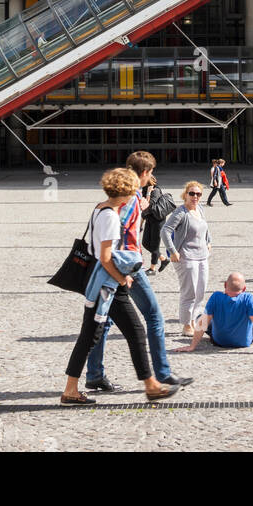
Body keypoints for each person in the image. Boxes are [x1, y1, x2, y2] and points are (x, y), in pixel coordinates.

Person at [62, 167, 182, 406]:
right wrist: (122, 278)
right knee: (96, 335)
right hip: (106, 285)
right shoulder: (110, 216)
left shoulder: (100, 208)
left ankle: (149, 386)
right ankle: (72, 390)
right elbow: (105, 257)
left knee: (105, 334)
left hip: (104, 284)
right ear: (127, 192)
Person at [85, 152, 189, 394]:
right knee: (153, 316)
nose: (151, 177)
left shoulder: (127, 197)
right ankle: (161, 373)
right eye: (150, 173)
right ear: (144, 173)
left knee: (105, 321)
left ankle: (94, 374)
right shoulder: (131, 198)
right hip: (127, 266)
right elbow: (119, 233)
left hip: (113, 266)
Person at [178, 273, 253, 355]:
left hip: (219, 341)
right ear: (244, 288)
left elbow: (203, 322)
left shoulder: (215, 296)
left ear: (225, 285)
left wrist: (192, 346)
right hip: (244, 342)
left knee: (200, 318)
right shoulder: (248, 298)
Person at [162, 181, 212, 334]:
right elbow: (165, 231)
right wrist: (173, 251)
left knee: (201, 291)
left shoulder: (200, 209)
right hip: (186, 257)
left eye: (198, 194)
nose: (195, 196)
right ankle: (186, 325)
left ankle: (196, 320)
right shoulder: (181, 212)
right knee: (189, 292)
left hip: (202, 256)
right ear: (185, 195)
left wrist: (209, 241)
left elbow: (205, 227)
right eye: (192, 193)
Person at [140, 159, 172, 275]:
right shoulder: (144, 189)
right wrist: (141, 222)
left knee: (154, 244)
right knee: (145, 243)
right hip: (150, 219)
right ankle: (163, 259)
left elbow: (149, 205)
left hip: (158, 221)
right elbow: (143, 208)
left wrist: (148, 193)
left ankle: (152, 268)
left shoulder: (155, 190)